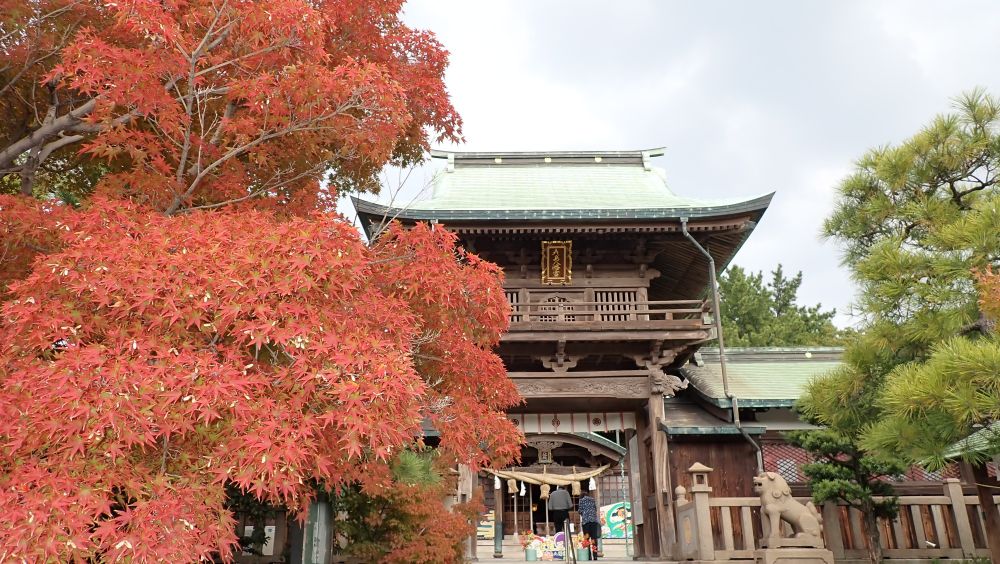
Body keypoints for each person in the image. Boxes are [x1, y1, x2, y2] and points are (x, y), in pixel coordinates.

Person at [578, 494, 601, 560]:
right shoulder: (592, 500)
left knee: (587, 539)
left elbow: (580, 511)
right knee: (594, 538)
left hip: (586, 523)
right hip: (594, 522)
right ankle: (595, 555)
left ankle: (589, 556)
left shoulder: (581, 500)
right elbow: (595, 509)